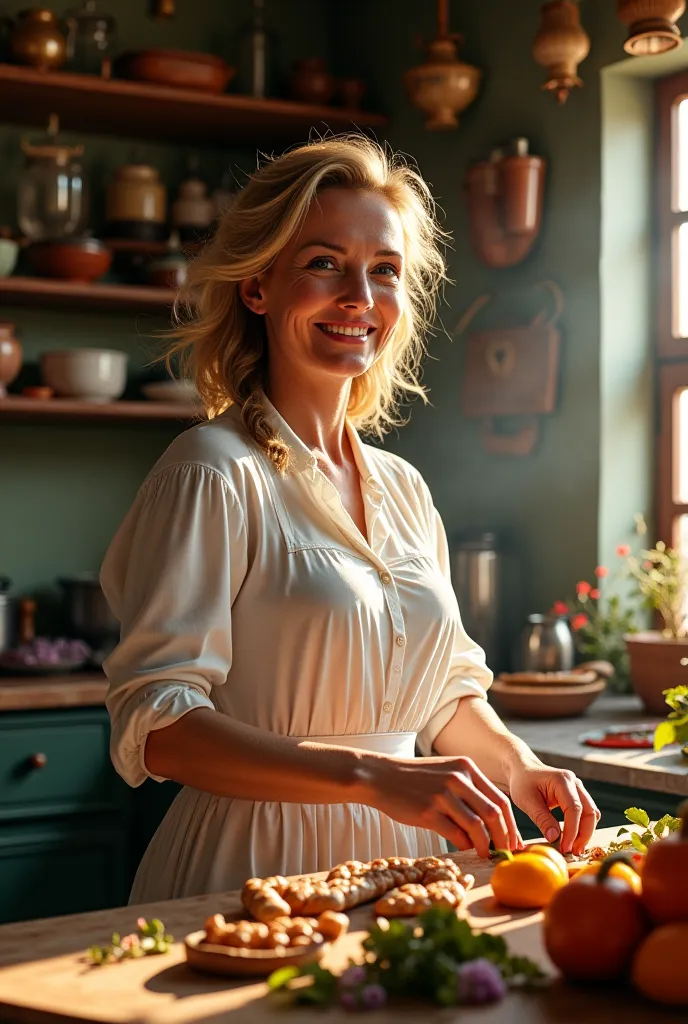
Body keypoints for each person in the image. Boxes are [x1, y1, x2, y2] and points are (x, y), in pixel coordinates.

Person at [100, 135, 600, 904]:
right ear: (258, 287)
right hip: (252, 870)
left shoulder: (403, 488)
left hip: (412, 868)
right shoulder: (211, 471)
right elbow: (160, 727)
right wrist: (371, 776)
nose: (360, 299)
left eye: (385, 271)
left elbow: (442, 695)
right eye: (325, 263)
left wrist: (519, 766)